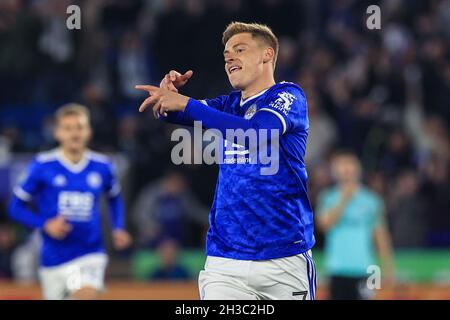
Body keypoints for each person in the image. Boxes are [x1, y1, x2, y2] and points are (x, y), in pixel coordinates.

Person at [135, 22, 316, 300]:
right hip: (225, 260)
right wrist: (167, 97)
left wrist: (184, 103)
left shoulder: (288, 96)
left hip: (283, 256)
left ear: (267, 55)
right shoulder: (228, 104)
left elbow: (256, 133)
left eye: (240, 49)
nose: (229, 57)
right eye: (226, 54)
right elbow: (176, 114)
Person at [8, 104, 132, 300]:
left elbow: (114, 197)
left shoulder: (103, 166)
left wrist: (118, 227)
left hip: (90, 255)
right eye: (68, 128)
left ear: (89, 131)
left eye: (79, 127)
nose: (75, 134)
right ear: (57, 133)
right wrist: (45, 224)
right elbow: (15, 207)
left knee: (85, 294)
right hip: (53, 259)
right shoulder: (42, 165)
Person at [316, 150, 395, 300]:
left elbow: (380, 236)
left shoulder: (372, 200)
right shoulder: (327, 198)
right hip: (337, 269)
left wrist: (388, 267)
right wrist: (344, 199)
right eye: (342, 166)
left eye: (350, 166)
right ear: (335, 172)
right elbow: (324, 225)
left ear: (358, 170)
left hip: (367, 269)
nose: (347, 171)